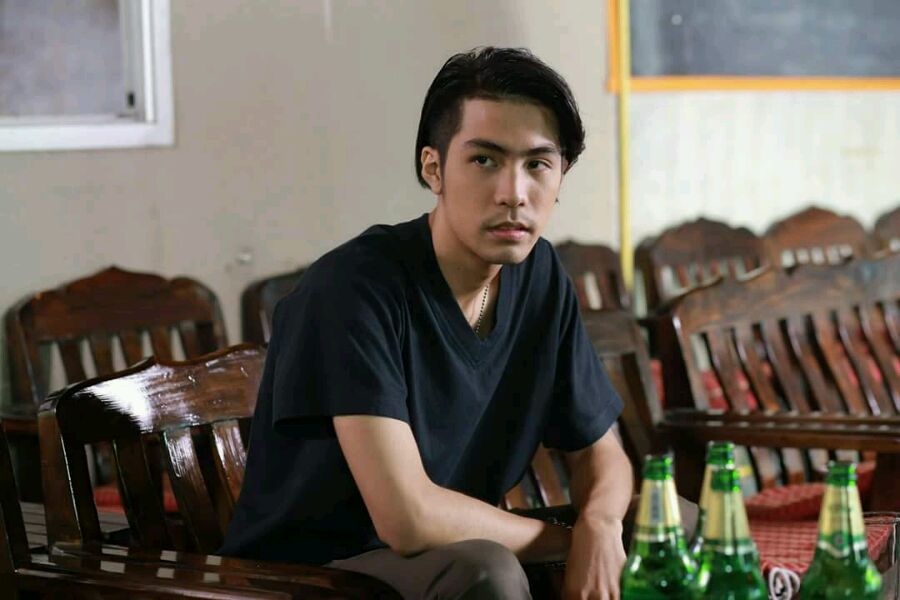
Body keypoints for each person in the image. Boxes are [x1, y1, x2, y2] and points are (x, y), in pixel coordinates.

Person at [221, 46, 635, 599]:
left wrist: (601, 526)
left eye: (537, 164)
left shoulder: (539, 274)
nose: (514, 194)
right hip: (317, 572)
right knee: (487, 571)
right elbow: (408, 518)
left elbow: (601, 452)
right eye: (484, 160)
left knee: (669, 523)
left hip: (446, 554)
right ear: (433, 168)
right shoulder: (354, 288)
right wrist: (570, 541)